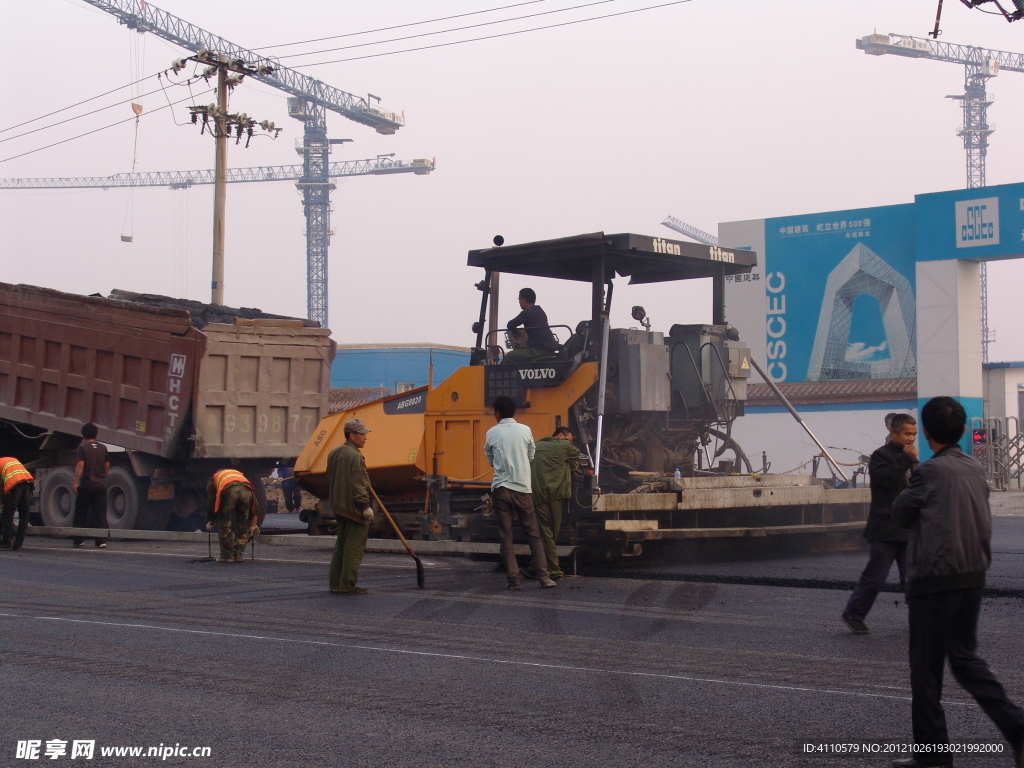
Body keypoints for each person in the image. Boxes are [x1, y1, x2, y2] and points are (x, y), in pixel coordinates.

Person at [890, 397, 1024, 768]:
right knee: (964, 660)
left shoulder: (929, 472)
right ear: (964, 431)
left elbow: (901, 513)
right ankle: (1016, 726)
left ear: (927, 432)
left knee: (926, 672)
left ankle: (933, 756)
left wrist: (910, 468)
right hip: (973, 574)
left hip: (935, 578)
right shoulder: (974, 469)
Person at [841, 413, 918, 634]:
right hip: (884, 528)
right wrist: (906, 459)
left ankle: (921, 616)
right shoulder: (880, 456)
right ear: (893, 433)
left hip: (907, 528)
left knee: (913, 577)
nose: (911, 438)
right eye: (906, 434)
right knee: (875, 577)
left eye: (913, 434)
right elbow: (886, 480)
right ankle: (854, 614)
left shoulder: (912, 460)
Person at [484, 395, 555, 590]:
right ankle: (544, 578)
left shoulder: (491, 432)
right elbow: (532, 454)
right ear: (513, 411)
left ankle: (514, 580)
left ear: (497, 413)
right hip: (522, 488)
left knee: (506, 537)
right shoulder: (525, 430)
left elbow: (490, 458)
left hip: (500, 488)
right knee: (533, 534)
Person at [526, 427, 583, 580]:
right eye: (568, 439)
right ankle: (554, 570)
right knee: (550, 534)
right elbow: (577, 454)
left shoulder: (536, 446)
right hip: (555, 495)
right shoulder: (562, 445)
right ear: (559, 435)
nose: (569, 443)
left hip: (537, 495)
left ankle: (534, 567)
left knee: (545, 532)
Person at [327, 418, 374, 595]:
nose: (365, 437)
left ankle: (335, 583)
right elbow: (358, 484)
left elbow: (329, 478)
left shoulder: (334, 453)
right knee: (353, 549)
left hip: (338, 507)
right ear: (352, 435)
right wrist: (365, 506)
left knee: (341, 547)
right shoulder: (354, 455)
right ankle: (347, 585)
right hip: (353, 509)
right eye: (362, 434)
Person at [205, 468, 258, 562]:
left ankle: (227, 556)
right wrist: (253, 524)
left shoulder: (214, 479)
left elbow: (211, 503)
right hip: (247, 491)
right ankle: (238, 555)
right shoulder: (239, 475)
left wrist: (212, 520)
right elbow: (255, 505)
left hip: (230, 492)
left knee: (225, 523)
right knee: (243, 523)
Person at [72, 423, 109, 548]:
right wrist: (103, 475)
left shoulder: (82, 447)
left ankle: (79, 539)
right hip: (100, 484)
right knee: (100, 512)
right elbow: (107, 464)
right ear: (96, 434)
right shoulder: (103, 448)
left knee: (81, 512)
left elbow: (80, 465)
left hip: (87, 484)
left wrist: (75, 482)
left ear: (83, 434)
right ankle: (101, 540)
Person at [502, 288, 559, 364]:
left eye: (519, 299)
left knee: (510, 356)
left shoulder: (527, 312)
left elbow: (510, 324)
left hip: (539, 351)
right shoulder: (540, 311)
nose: (519, 301)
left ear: (524, 299)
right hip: (549, 349)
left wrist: (515, 334)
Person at [0, 456, 34, 551]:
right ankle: (18, 544)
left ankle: (6, 543)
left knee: (7, 515)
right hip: (28, 482)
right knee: (24, 516)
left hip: (14, 485)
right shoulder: (9, 460)